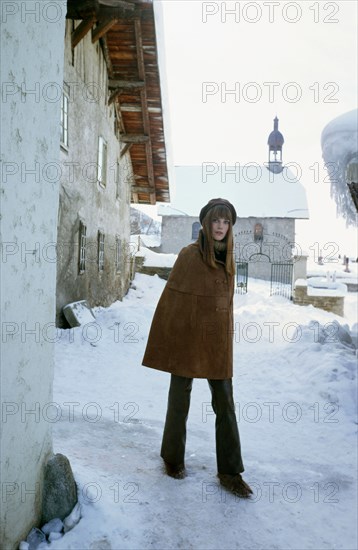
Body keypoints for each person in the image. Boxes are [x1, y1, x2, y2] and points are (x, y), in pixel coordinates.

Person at [142, 198, 252, 498]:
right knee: (179, 399)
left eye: (226, 221)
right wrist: (172, 339)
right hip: (188, 339)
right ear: (206, 223)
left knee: (225, 403)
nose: (220, 226)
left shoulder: (229, 258)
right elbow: (172, 301)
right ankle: (172, 458)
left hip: (217, 343)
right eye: (216, 221)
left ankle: (230, 472)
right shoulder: (189, 255)